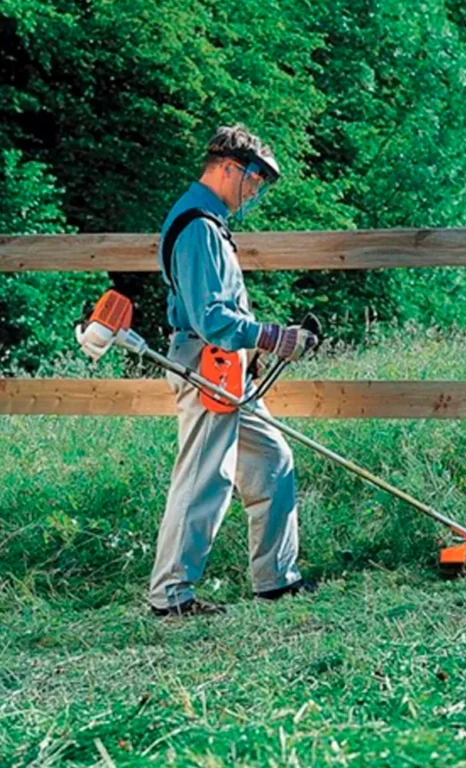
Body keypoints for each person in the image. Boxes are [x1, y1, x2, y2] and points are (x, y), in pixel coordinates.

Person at [149, 124, 318, 618]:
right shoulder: (199, 227)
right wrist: (272, 336)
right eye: (253, 179)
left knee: (271, 461)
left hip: (226, 367)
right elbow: (212, 319)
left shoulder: (209, 222)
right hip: (206, 366)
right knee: (204, 479)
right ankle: (170, 596)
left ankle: (276, 580)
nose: (255, 191)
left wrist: (253, 350)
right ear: (227, 167)